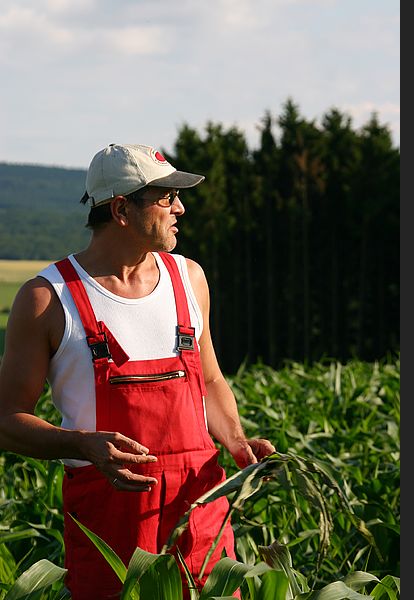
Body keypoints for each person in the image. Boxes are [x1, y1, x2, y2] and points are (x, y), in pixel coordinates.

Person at [0, 143, 275, 599]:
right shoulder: (47, 298)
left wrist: (237, 441)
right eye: (166, 197)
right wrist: (82, 445)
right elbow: (6, 420)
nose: (181, 209)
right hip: (111, 531)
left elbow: (208, 380)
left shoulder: (190, 279)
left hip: (200, 517)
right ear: (122, 208)